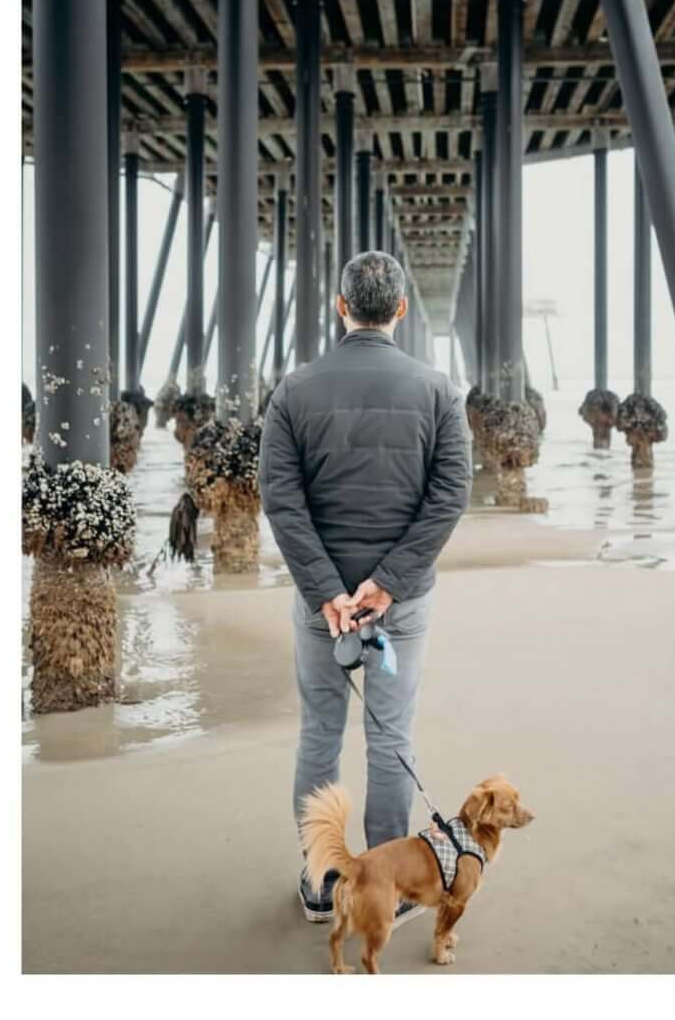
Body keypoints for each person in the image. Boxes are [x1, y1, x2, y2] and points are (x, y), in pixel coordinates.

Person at [261, 249, 471, 925]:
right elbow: (449, 496)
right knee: (391, 738)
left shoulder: (294, 391)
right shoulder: (438, 392)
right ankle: (384, 888)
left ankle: (323, 884)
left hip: (320, 604)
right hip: (399, 603)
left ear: (341, 308)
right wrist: (387, 583)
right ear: (401, 311)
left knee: (319, 732)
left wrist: (328, 590)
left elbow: (281, 499)